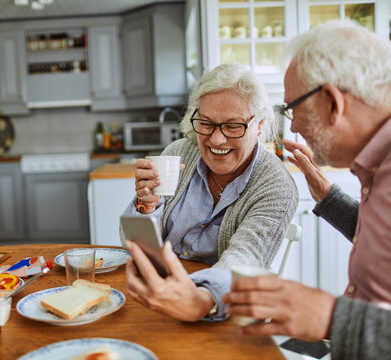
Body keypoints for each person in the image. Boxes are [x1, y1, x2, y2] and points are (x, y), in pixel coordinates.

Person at [223, 20, 391, 360]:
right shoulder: (388, 155)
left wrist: (331, 318)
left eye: (293, 108)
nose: (292, 125)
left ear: (332, 102)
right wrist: (329, 198)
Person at [123, 63, 299, 322]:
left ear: (259, 124)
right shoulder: (177, 153)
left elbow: (244, 261)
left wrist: (200, 299)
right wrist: (146, 206)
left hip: (219, 308)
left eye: (233, 126)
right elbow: (131, 244)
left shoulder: (275, 186)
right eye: (206, 123)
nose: (216, 140)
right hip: (158, 295)